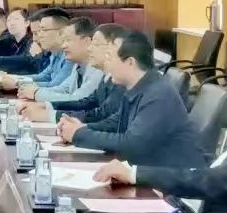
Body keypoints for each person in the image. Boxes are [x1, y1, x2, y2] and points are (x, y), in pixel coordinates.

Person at [93, 67, 227, 213]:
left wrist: (135, 174)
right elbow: (212, 169)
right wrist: (169, 192)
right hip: (181, 205)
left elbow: (211, 181)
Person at [59, 31, 206, 168]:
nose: (106, 63)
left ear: (130, 62)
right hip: (150, 171)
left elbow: (132, 144)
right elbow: (115, 123)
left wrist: (79, 134)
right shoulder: (136, 87)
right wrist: (80, 128)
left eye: (109, 57)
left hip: (174, 178)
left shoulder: (158, 94)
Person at [47, 23, 128, 125]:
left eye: (96, 44)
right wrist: (48, 106)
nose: (89, 49)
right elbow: (86, 102)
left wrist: (53, 115)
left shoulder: (121, 82)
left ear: (115, 48)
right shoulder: (106, 78)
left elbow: (101, 114)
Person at [23, 17, 105, 105]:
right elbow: (63, 89)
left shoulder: (97, 69)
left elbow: (78, 100)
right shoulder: (78, 65)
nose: (63, 46)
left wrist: (36, 93)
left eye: (68, 40)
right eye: (63, 41)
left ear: (86, 41)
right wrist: (33, 90)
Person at [0, 8, 73, 92]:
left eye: (43, 30)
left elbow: (55, 86)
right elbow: (44, 76)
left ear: (62, 31)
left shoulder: (70, 56)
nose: (38, 36)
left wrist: (17, 83)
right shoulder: (55, 53)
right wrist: (13, 78)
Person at [0, 7, 38, 73]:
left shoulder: (33, 41)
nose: (11, 23)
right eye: (9, 20)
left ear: (27, 23)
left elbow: (26, 59)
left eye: (16, 19)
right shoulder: (7, 41)